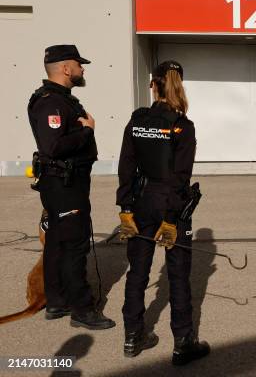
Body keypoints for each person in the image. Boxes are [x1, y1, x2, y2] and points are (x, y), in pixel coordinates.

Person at [116, 60, 210, 365]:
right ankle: (183, 342)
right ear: (178, 84)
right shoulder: (184, 126)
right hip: (172, 205)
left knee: (138, 272)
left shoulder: (137, 121)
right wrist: (171, 218)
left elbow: (126, 168)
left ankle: (133, 336)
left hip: (141, 202)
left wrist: (126, 207)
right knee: (179, 275)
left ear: (153, 85)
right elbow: (180, 178)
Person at [27, 45, 115, 329]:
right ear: (66, 68)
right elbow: (53, 147)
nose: (83, 69)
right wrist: (88, 130)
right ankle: (82, 309)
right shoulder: (52, 102)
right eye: (79, 64)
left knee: (56, 241)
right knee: (74, 245)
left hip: (64, 183)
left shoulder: (61, 100)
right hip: (64, 185)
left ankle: (56, 301)